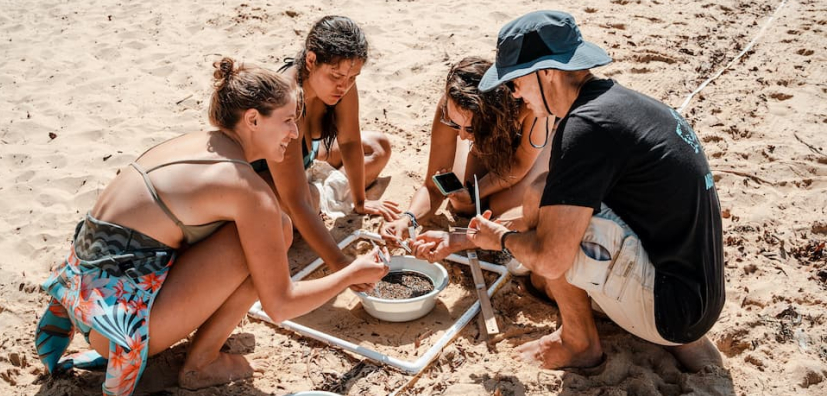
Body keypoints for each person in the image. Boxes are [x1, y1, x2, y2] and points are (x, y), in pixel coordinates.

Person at [34, 58, 389, 396]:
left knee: (265, 227)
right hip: (117, 330)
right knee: (274, 230)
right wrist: (349, 272)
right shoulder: (245, 188)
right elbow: (280, 306)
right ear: (253, 120)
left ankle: (195, 351)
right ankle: (200, 364)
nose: (295, 133)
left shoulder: (199, 145)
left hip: (79, 299)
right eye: (287, 121)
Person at [466, 10, 725, 372]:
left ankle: (578, 342)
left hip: (669, 312)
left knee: (541, 200)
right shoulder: (623, 105)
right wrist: (464, 238)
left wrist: (502, 240)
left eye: (514, 82)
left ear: (545, 73)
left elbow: (552, 256)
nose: (515, 95)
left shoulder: (584, 127)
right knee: (550, 240)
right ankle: (687, 342)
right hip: (700, 295)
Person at [252, 15, 398, 281]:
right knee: (306, 199)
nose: (344, 85)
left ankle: (322, 193)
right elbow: (295, 199)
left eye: (353, 76)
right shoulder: (285, 99)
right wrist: (343, 267)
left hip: (304, 157)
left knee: (378, 147)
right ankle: (318, 197)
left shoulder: (342, 85)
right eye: (336, 75)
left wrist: (360, 201)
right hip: (261, 177)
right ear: (310, 61)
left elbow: (351, 141)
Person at [380, 56, 553, 258]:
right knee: (462, 205)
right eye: (455, 125)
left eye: (470, 128)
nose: (461, 136)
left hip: (540, 144)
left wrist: (474, 192)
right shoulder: (451, 105)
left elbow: (520, 163)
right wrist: (407, 219)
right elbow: (432, 187)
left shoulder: (530, 105)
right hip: (491, 138)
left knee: (501, 207)